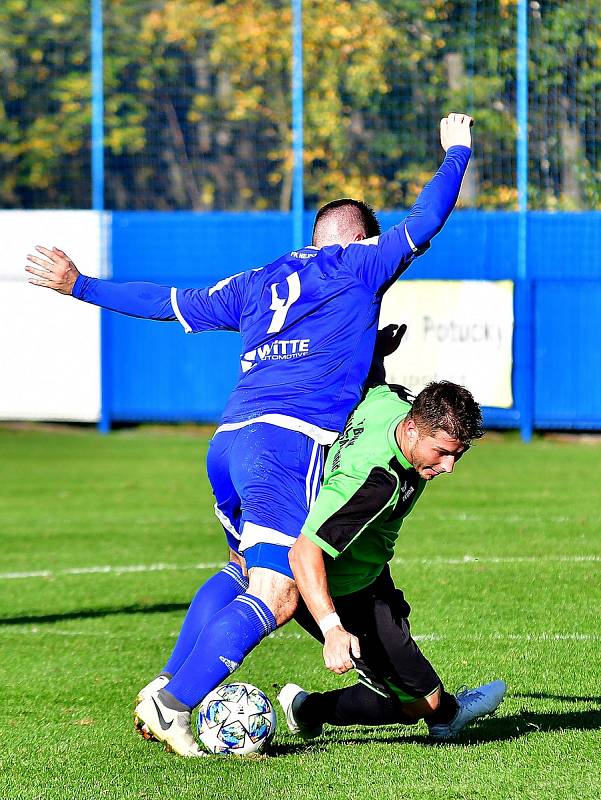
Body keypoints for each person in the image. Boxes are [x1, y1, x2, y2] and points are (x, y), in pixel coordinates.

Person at [26, 114, 474, 757]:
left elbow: (169, 300)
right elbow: (426, 220)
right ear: (357, 239)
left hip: (231, 441)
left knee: (240, 570)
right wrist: (456, 152)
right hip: (287, 448)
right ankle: (172, 703)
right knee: (279, 590)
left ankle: (168, 681)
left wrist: (80, 285)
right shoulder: (361, 264)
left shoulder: (258, 281)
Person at [278, 380, 506, 741]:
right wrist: (332, 627)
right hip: (344, 591)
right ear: (413, 429)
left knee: (406, 687)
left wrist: (378, 346)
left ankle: (434, 708)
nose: (449, 467)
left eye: (458, 455)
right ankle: (308, 710)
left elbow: (372, 380)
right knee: (423, 705)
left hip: (370, 573)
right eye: (442, 452)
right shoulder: (376, 481)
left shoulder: (391, 400)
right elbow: (304, 552)